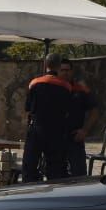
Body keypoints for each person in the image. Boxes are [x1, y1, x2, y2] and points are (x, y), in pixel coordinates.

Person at [20, 54, 74, 182]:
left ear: (46, 65)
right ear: (58, 66)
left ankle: (28, 191)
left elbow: (28, 107)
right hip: (56, 131)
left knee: (30, 165)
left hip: (37, 129)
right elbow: (67, 110)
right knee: (56, 168)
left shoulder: (34, 83)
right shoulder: (66, 87)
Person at [59, 60, 99, 179]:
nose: (65, 73)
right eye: (62, 70)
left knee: (79, 175)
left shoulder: (81, 89)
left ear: (72, 71)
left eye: (68, 70)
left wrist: (84, 130)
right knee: (56, 177)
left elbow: (95, 111)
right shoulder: (52, 88)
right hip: (56, 139)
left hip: (75, 138)